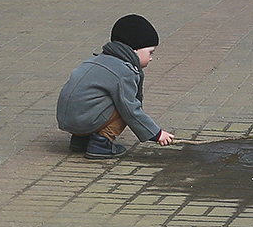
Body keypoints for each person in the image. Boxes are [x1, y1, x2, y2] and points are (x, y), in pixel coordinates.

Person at [56, 14, 177, 159]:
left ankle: (81, 140)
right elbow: (131, 109)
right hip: (84, 120)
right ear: (134, 50)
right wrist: (156, 133)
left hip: (69, 119)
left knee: (98, 99)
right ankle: (101, 143)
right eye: (150, 52)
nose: (151, 58)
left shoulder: (98, 59)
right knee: (123, 105)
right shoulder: (124, 71)